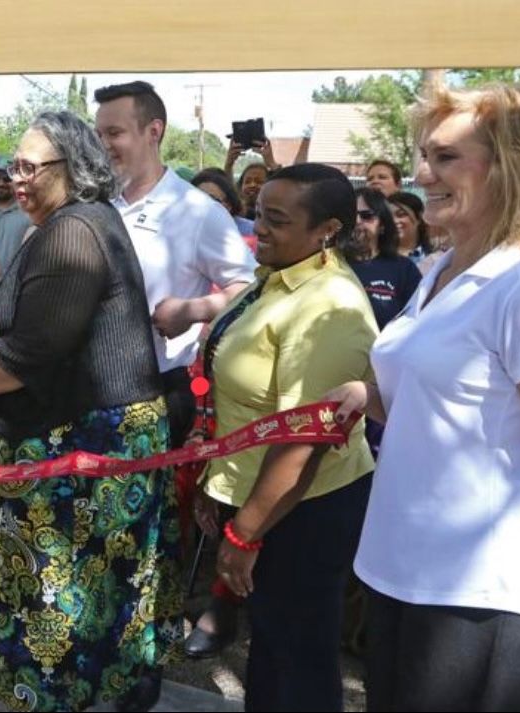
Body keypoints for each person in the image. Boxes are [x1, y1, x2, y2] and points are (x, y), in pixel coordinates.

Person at [0, 110, 184, 712]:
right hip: (77, 448)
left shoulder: (74, 232)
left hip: (77, 459)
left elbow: (25, 358)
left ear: (74, 168)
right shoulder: (73, 224)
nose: (16, 178)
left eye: (29, 166)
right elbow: (48, 316)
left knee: (60, 606)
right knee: (93, 606)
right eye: (12, 165)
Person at [331, 84, 520, 712]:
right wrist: (363, 393)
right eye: (422, 157)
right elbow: (433, 399)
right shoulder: (439, 270)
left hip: (477, 589)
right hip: (397, 567)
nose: (421, 174)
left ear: (511, 167)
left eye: (445, 158)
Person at [193, 163, 377, 710]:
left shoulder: (330, 306)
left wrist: (245, 533)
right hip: (259, 496)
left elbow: (305, 439)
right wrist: (215, 485)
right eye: (259, 214)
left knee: (299, 657)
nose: (259, 228)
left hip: (302, 509)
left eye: (276, 219)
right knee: (271, 648)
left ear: (327, 230)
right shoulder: (276, 275)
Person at [93, 81, 256, 449]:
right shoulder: (94, 205)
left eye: (114, 133)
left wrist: (192, 309)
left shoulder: (198, 212)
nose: (102, 146)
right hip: (87, 390)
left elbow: (251, 289)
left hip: (155, 393)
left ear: (154, 131)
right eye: (97, 134)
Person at [341, 187, 422, 330]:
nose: (357, 221)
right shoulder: (329, 262)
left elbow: (416, 323)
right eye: (351, 215)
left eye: (367, 216)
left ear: (382, 225)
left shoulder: (404, 269)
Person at [190, 167, 257, 245]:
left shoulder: (250, 231)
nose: (203, 206)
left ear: (228, 205)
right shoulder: (182, 231)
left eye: (212, 200)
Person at [386, 190, 432, 263]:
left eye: (401, 215)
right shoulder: (375, 258)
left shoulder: (435, 258)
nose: (393, 221)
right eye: (388, 217)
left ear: (419, 218)